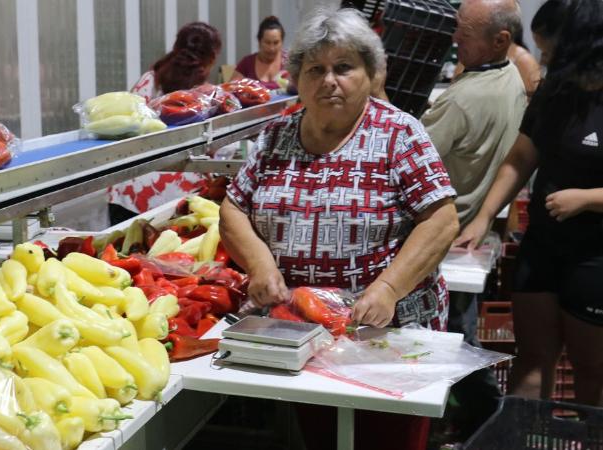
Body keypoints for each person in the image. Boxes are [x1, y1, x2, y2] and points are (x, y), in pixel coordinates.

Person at [220, 6, 459, 449]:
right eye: (315, 69)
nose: (329, 80)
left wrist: (388, 288)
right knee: (323, 434)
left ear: (371, 74)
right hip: (300, 330)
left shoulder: (399, 134)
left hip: (386, 335)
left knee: (385, 437)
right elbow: (233, 207)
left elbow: (441, 220)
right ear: (297, 77)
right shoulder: (277, 136)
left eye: (344, 67)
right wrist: (259, 263)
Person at [457, 0, 603, 407]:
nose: (542, 58)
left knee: (591, 369)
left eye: (550, 48)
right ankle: (523, 436)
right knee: (532, 358)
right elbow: (520, 158)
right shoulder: (555, 93)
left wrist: (588, 199)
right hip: (542, 247)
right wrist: (483, 216)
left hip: (594, 258)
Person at [419, 0, 527, 439]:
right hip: (468, 232)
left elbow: (405, 158)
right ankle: (475, 419)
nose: (454, 38)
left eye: (464, 32)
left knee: (453, 338)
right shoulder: (511, 78)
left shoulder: (463, 99)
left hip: (445, 235)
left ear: (500, 40)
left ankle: (486, 419)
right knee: (458, 332)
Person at [109, 23, 221, 224]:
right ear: (211, 58)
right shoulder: (204, 94)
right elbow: (210, 145)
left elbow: (126, 126)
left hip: (129, 191)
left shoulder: (150, 79)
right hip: (174, 199)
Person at [230, 16, 288, 90]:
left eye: (276, 43)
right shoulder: (247, 63)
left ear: (282, 42)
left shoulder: (289, 62)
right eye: (267, 42)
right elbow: (230, 89)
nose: (271, 48)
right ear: (259, 41)